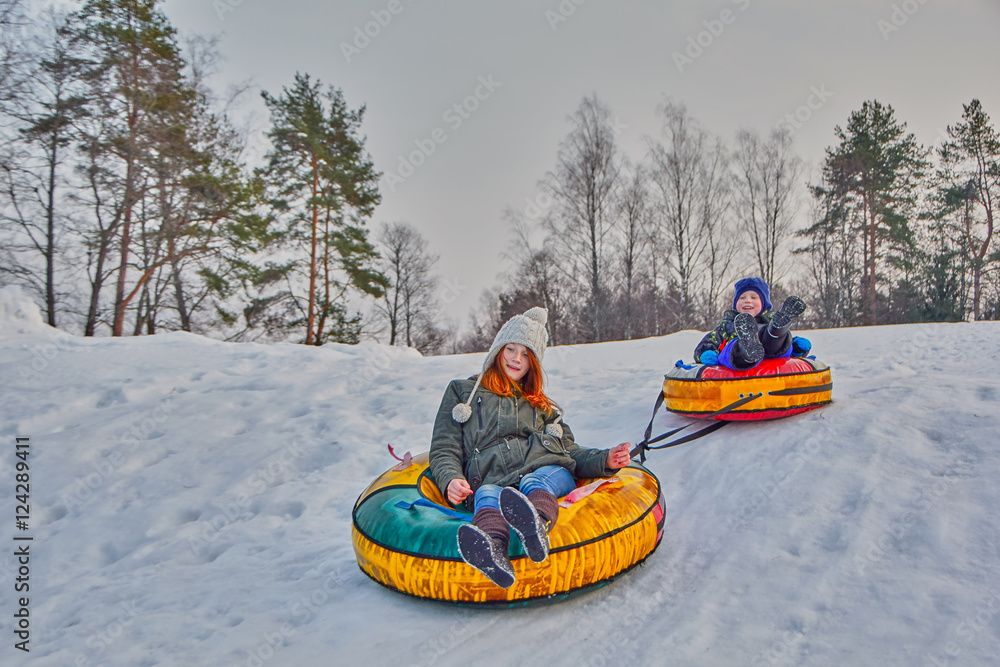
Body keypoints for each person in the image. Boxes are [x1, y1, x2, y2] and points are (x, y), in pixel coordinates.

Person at [429, 306, 632, 588]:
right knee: (487, 492)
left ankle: (535, 524)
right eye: (511, 348)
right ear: (498, 349)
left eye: (526, 354)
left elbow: (569, 451)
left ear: (533, 363)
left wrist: (605, 460)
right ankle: (493, 552)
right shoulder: (463, 393)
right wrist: (451, 478)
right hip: (494, 479)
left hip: (545, 471)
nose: (516, 358)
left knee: (536, 480)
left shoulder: (542, 407)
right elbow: (444, 446)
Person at [693, 277, 811, 370]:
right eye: (742, 297)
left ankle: (778, 330)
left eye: (754, 297)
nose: (747, 300)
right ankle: (746, 348)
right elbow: (706, 344)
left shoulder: (769, 321)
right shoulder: (727, 325)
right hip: (736, 361)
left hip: (770, 356)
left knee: (772, 337)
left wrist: (796, 347)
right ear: (735, 303)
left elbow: (788, 353)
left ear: (764, 304)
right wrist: (706, 353)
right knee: (734, 348)